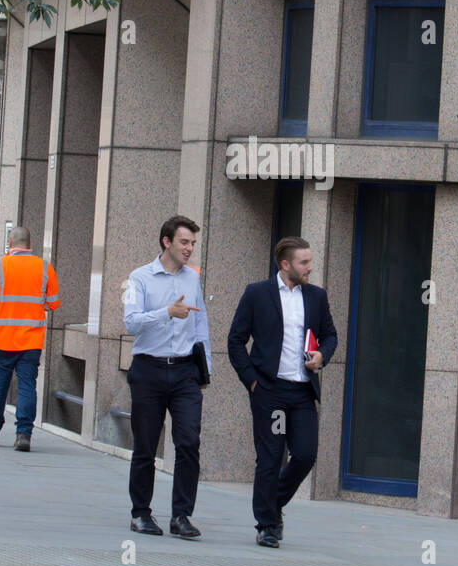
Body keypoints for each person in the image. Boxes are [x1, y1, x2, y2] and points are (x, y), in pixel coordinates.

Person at [227, 236, 337, 548]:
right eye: (304, 262)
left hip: (302, 392)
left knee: (304, 454)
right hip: (269, 391)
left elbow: (330, 335)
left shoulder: (316, 297)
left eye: (310, 261)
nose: (310, 267)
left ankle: (272, 504)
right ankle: (267, 525)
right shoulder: (257, 294)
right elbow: (235, 341)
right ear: (285, 264)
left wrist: (322, 356)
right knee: (271, 456)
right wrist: (252, 382)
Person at [122, 215, 212, 539]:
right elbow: (130, 322)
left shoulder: (192, 279)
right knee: (146, 445)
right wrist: (166, 313)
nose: (189, 249)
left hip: (186, 371)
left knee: (189, 442)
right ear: (167, 242)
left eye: (192, 244)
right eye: (184, 242)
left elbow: (201, 325)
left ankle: (181, 515)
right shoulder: (140, 278)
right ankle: (140, 513)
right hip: (149, 369)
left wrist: (206, 371)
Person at [0, 226, 60, 451]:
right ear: (29, 244)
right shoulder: (44, 267)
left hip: (3, 340)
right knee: (26, 387)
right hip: (31, 342)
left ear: (10, 244)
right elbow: (53, 303)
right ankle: (24, 433)